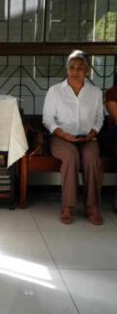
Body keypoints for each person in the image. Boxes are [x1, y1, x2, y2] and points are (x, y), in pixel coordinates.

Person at [43, 50, 104, 225]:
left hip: (88, 139)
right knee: (71, 156)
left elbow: (100, 118)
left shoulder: (95, 92)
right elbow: (47, 119)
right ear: (67, 69)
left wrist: (93, 132)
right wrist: (63, 134)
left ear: (87, 71)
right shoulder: (55, 91)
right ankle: (68, 207)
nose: (75, 71)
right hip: (61, 139)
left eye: (80, 68)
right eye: (71, 67)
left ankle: (92, 207)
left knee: (92, 158)